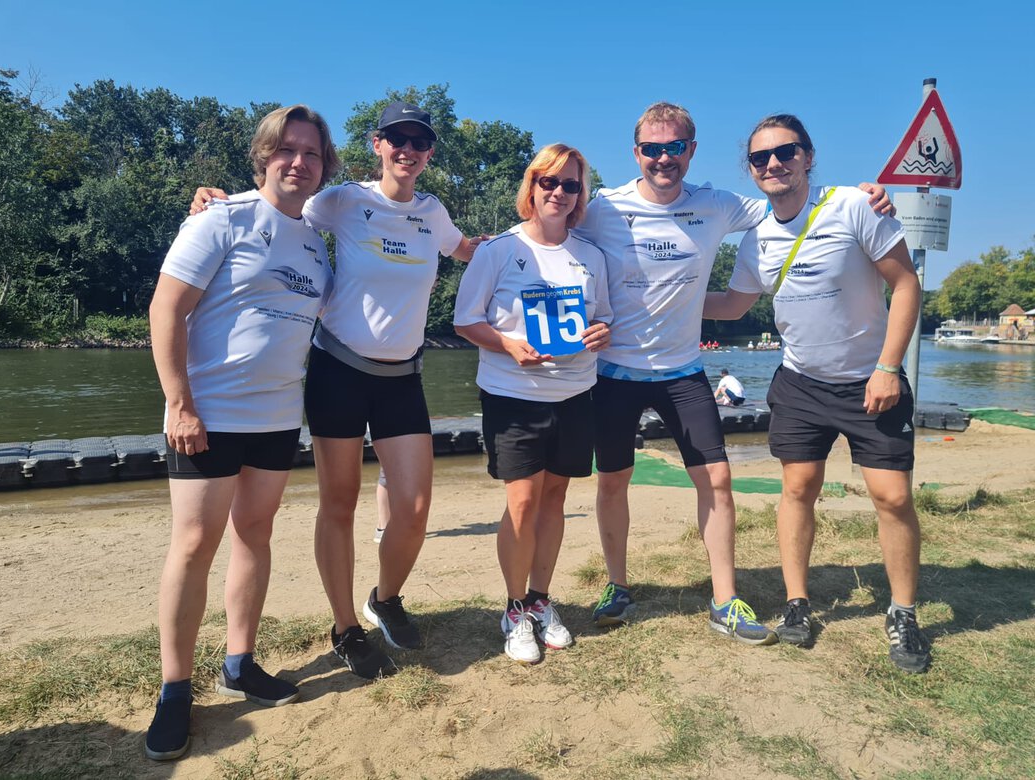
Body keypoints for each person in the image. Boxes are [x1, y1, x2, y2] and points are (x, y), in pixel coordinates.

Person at [575, 101, 893, 644]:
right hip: (614, 371)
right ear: (636, 153)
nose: (663, 158)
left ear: (691, 150)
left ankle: (724, 600)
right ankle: (618, 586)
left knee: (718, 480)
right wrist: (483, 249)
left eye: (675, 147)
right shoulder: (602, 206)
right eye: (652, 149)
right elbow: (548, 222)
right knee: (613, 481)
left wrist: (863, 196)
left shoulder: (719, 205)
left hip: (682, 371)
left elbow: (790, 198)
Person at [191, 101, 483, 679]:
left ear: (429, 153)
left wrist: (529, 239)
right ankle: (346, 626)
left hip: (402, 377)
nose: (407, 150)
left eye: (419, 142)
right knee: (341, 502)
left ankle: (385, 599)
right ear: (378, 144)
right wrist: (215, 200)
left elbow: (468, 249)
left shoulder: (433, 212)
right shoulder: (344, 200)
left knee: (414, 508)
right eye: (397, 139)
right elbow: (281, 203)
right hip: (339, 371)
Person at [703, 114, 930, 673]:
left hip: (870, 380)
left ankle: (902, 612)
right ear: (751, 170)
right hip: (800, 382)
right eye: (760, 158)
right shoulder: (756, 237)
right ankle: (797, 603)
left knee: (892, 498)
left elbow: (906, 284)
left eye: (785, 152)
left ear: (807, 156)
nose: (773, 164)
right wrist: (658, 299)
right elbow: (733, 305)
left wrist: (888, 367)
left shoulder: (854, 206)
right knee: (798, 489)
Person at [145, 105, 338, 761]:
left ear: (324, 166)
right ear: (264, 156)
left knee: (255, 534)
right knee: (194, 544)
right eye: (287, 149)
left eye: (311, 153)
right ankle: (175, 690)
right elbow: (166, 308)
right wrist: (180, 404)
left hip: (278, 417)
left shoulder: (314, 241)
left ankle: (240, 662)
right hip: (209, 414)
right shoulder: (221, 218)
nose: (299, 161)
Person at [453, 144, 611, 664]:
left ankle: (541, 598)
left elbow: (603, 319)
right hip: (513, 396)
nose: (559, 192)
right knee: (522, 502)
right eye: (549, 181)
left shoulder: (591, 256)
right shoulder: (498, 250)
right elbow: (465, 321)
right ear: (532, 186)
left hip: (576, 394)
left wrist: (600, 333)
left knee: (554, 500)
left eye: (571, 185)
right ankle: (515, 608)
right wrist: (508, 345)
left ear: (580, 195)